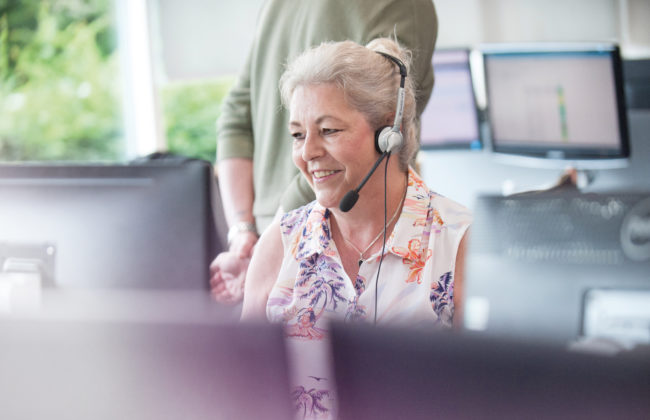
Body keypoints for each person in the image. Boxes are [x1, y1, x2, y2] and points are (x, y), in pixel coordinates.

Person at [240, 38, 472, 419]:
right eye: (298, 134)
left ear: (388, 134)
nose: (307, 152)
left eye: (328, 130)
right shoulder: (280, 245)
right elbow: (243, 389)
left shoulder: (459, 244)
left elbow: (497, 396)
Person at [210, 0, 438, 303]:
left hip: (314, 236)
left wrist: (257, 240)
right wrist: (252, 238)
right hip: (308, 237)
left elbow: (375, 132)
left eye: (327, 130)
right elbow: (382, 127)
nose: (308, 149)